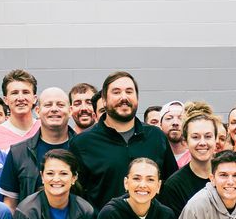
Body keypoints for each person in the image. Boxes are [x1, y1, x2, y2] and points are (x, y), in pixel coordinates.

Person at [69, 71, 178, 203]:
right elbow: (76, 198)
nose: (124, 97)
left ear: (137, 98)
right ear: (104, 100)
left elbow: (171, 187)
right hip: (103, 217)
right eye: (116, 92)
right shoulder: (82, 143)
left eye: (129, 91)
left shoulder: (156, 137)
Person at [0, 87, 74, 205]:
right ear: (38, 111)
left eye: (60, 105)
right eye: (48, 105)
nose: (54, 109)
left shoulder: (84, 149)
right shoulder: (18, 152)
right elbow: (10, 204)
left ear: (70, 111)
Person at [0, 70, 39, 149]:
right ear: (6, 100)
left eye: (25, 92)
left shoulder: (45, 129)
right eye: (14, 93)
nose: (20, 98)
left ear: (34, 98)